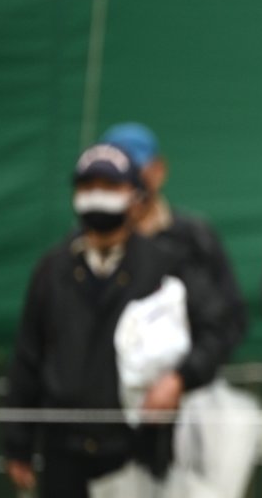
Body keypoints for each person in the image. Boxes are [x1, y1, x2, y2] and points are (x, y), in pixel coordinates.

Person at [3, 143, 225, 498]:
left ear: (135, 197)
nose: (98, 195)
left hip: (137, 450)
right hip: (64, 448)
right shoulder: (51, 268)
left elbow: (216, 331)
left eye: (111, 185)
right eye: (88, 185)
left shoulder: (165, 265)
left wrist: (180, 379)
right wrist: (17, 442)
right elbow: (27, 355)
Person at [99, 122, 248, 370]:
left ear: (159, 170)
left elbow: (229, 320)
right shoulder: (81, 250)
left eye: (137, 170)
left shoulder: (194, 238)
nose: (130, 182)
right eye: (115, 176)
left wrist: (182, 379)